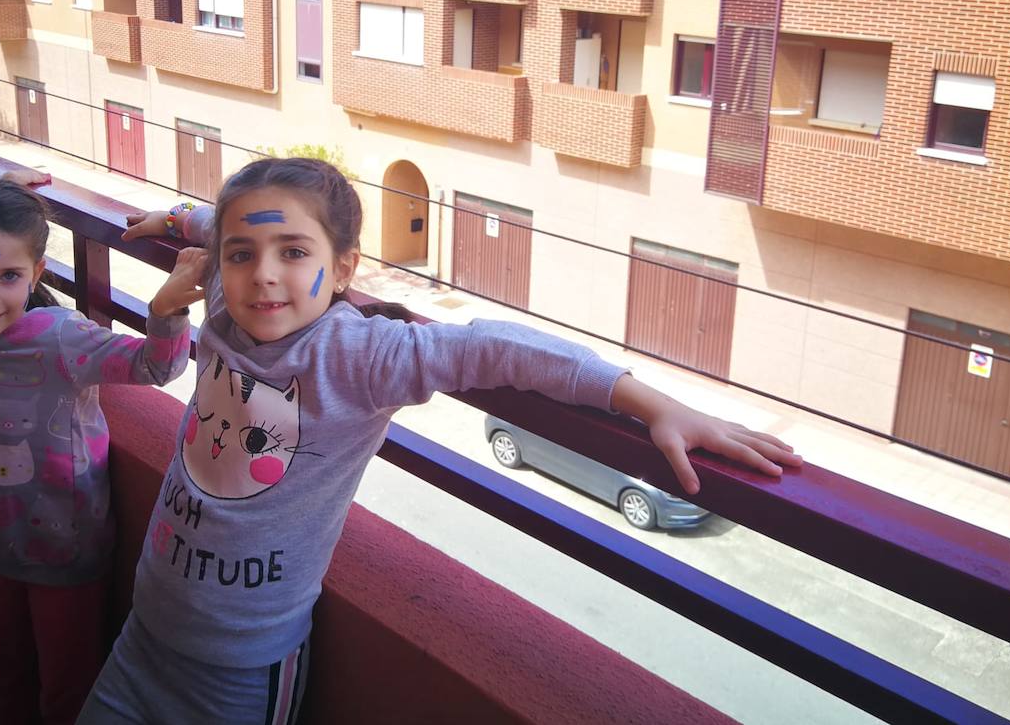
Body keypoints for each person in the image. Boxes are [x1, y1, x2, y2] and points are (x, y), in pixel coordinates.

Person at [78, 158, 803, 724]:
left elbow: (495, 348)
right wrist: (169, 215)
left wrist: (651, 401)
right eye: (242, 255)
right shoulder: (225, 298)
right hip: (146, 625)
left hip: (237, 669)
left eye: (294, 251)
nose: (264, 272)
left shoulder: (359, 355)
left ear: (345, 268)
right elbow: (216, 223)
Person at [0, 170, 206, 725]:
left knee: (66, 684)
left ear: (37, 272)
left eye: (10, 275)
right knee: (2, 660)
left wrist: (166, 308)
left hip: (65, 546)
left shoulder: (61, 337)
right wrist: (2, 194)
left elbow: (159, 365)